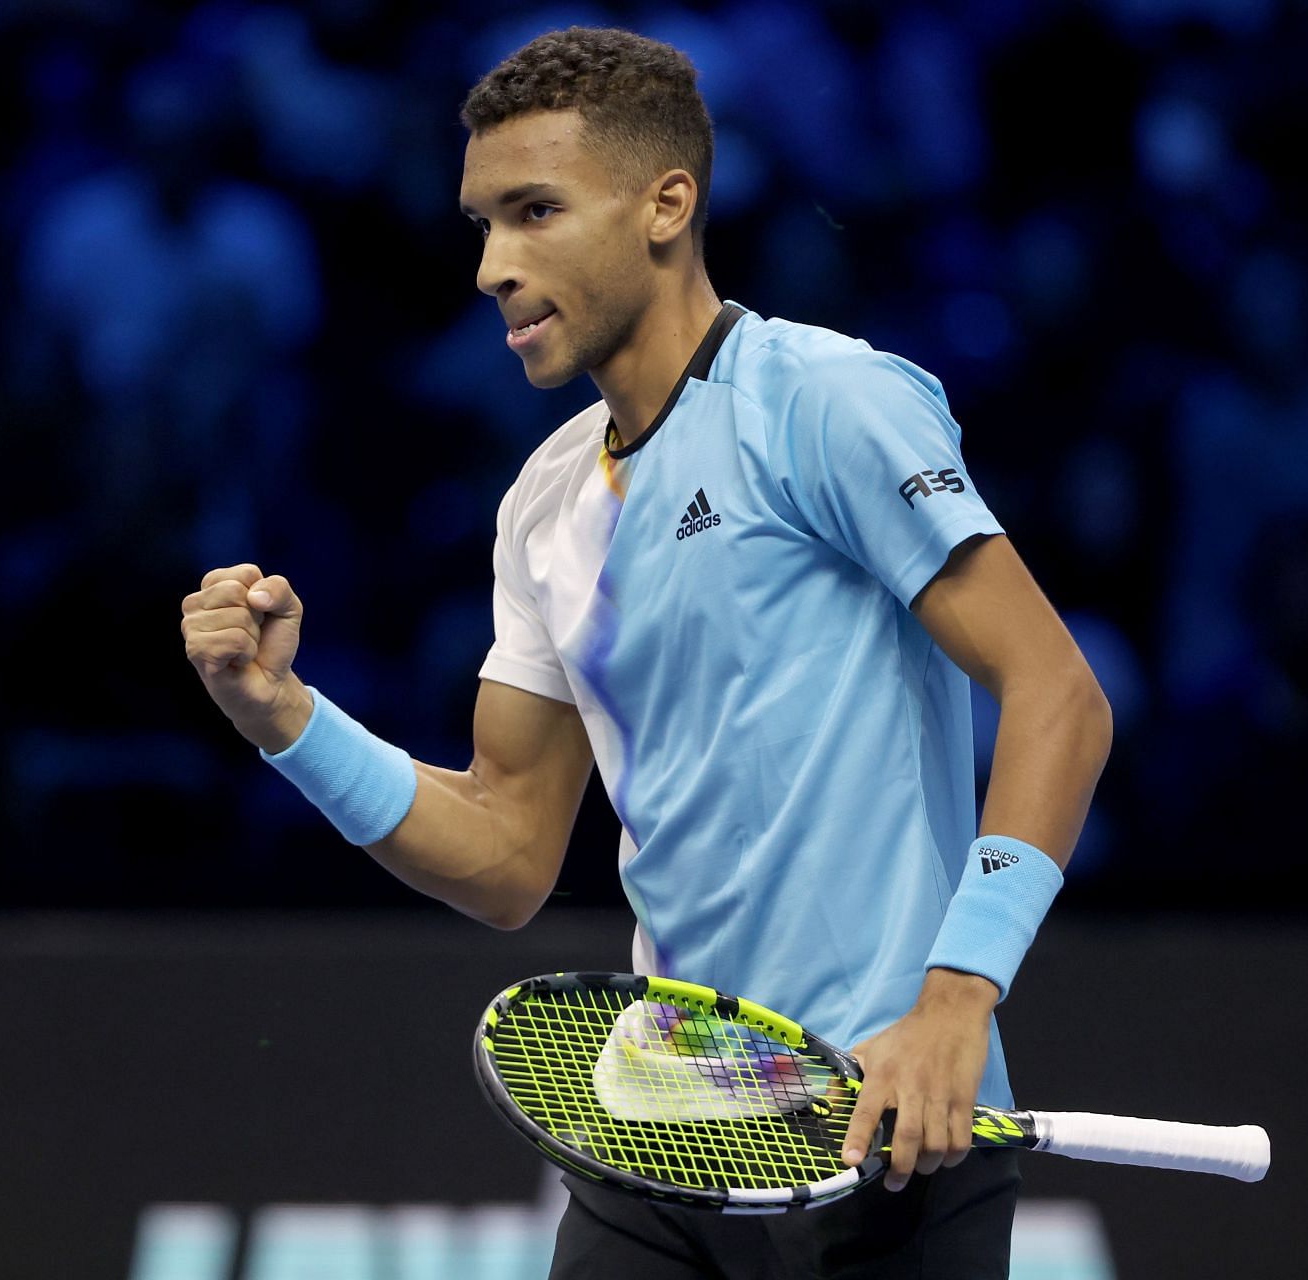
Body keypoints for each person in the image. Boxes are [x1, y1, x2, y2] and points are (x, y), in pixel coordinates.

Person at [180, 26, 1111, 1279]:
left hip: (889, 1132)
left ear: (666, 203)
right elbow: (510, 848)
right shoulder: (543, 502)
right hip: (662, 1140)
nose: (493, 267)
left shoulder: (824, 402)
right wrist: (285, 719)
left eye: (535, 212)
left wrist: (957, 1000)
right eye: (482, 224)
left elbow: (1057, 692)